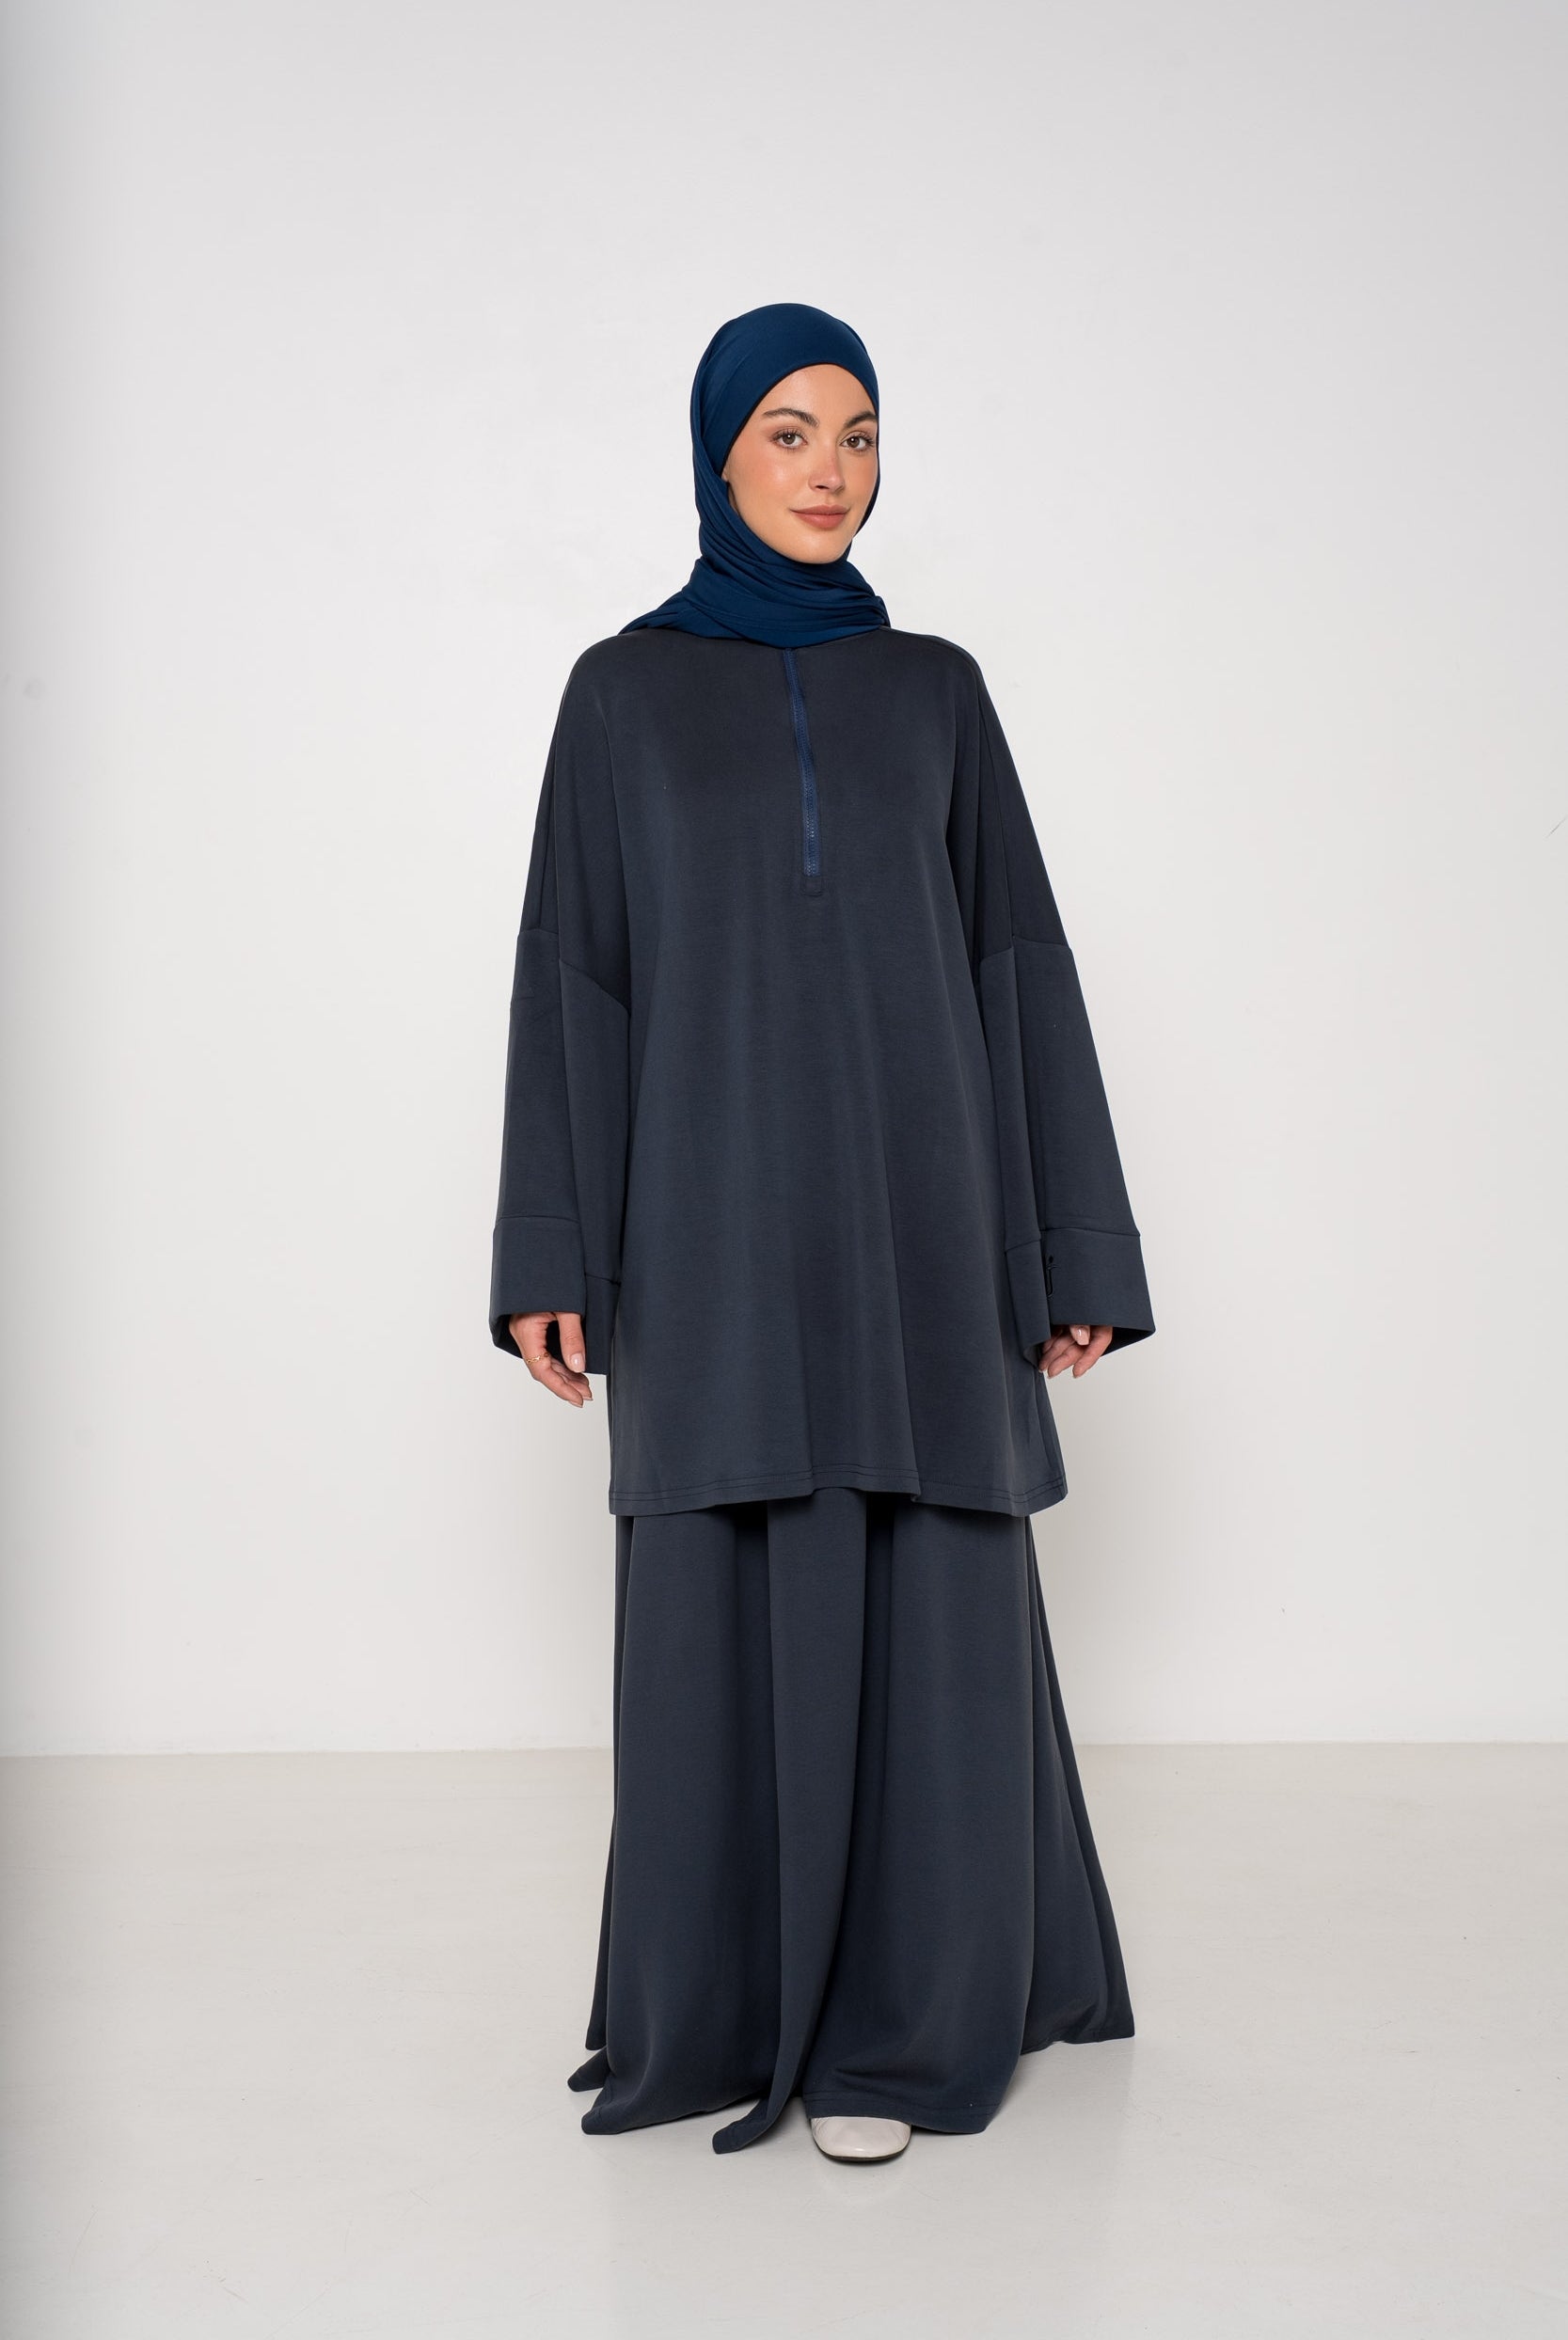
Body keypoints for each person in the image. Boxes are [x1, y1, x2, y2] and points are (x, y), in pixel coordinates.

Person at [488, 302, 1155, 2163]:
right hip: (704, 1218)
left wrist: (1073, 1249)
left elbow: (1016, 960)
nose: (831, 470)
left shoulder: (935, 691)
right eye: (789, 432)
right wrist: (549, 1250)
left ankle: (911, 2024)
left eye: (858, 434)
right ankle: (716, 2015)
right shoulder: (621, 693)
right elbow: (575, 978)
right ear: (720, 454)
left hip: (926, 1220)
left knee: (933, 1571)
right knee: (718, 1573)